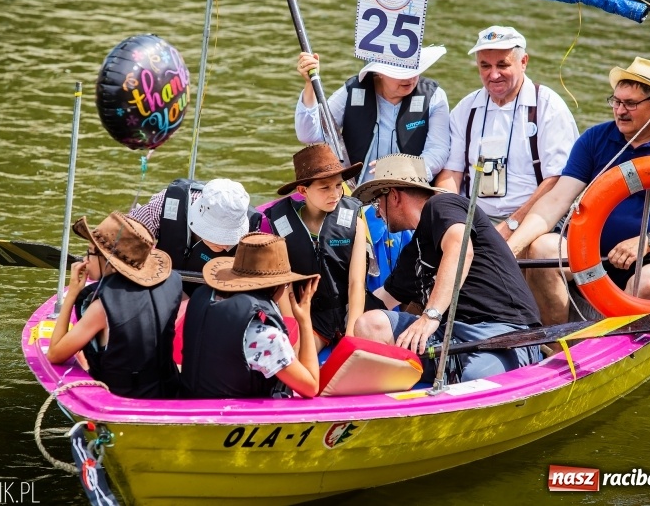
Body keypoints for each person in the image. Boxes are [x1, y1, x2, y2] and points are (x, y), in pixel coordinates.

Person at [507, 56, 650, 324]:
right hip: (589, 252)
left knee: (648, 282)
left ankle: (613, 348)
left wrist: (648, 242)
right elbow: (555, 201)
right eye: (615, 101)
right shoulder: (595, 139)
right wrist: (511, 247)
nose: (619, 110)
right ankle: (555, 348)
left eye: (630, 103)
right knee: (543, 248)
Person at [351, 155, 542, 384]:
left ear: (394, 195)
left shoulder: (442, 205)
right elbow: (379, 301)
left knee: (476, 379)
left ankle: (450, 384)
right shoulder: (415, 250)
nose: (377, 213)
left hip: (500, 333)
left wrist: (430, 315)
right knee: (368, 325)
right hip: (445, 341)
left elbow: (461, 248)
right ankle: (413, 394)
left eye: (376, 203)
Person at [295, 45, 449, 290]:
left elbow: (438, 151)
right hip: (354, 197)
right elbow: (309, 134)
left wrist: (404, 171)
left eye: (415, 70)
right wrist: (310, 88)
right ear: (379, 72)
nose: (410, 77)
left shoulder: (434, 96)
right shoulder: (352, 91)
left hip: (406, 196)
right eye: (401, 71)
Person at [434, 25, 578, 239]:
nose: (493, 74)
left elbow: (557, 180)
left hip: (534, 220)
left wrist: (511, 224)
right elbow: (451, 173)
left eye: (502, 65)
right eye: (485, 66)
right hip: (475, 219)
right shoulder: (466, 109)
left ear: (524, 62)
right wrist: (451, 221)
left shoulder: (548, 106)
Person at [46, 212, 182, 399]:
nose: (84, 261)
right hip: (169, 389)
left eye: (89, 252)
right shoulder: (173, 282)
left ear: (107, 261)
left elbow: (54, 354)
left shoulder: (101, 307)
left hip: (125, 398)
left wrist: (72, 295)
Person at [180, 232, 322, 399]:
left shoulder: (201, 298)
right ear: (278, 286)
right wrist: (305, 320)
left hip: (192, 398)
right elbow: (311, 387)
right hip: (233, 415)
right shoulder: (268, 338)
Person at [263, 143, 367, 351]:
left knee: (358, 355)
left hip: (349, 311)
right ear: (303, 190)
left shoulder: (355, 221)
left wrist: (351, 333)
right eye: (325, 187)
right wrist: (294, 328)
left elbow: (357, 282)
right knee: (296, 354)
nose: (335, 194)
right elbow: (285, 286)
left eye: (338, 185)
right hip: (311, 316)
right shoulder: (281, 225)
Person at [129, 177, 263, 288]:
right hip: (161, 284)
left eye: (230, 237)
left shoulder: (253, 233)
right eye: (220, 236)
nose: (226, 245)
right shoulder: (166, 204)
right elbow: (126, 237)